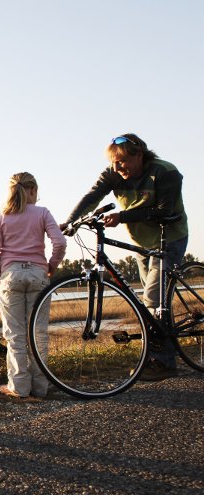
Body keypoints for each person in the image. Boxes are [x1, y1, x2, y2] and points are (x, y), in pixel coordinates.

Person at [62, 133, 188, 381]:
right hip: (141, 242)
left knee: (153, 298)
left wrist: (122, 217)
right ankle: (164, 354)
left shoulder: (165, 172)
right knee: (153, 303)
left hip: (169, 237)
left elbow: (165, 210)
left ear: (139, 155)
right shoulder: (113, 173)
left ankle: (162, 363)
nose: (118, 168)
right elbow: (92, 196)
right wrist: (71, 220)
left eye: (123, 162)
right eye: (115, 163)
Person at [0, 172, 66, 399]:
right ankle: (40, 387)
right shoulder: (42, 213)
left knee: (15, 335)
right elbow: (60, 242)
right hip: (38, 275)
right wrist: (51, 266)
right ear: (33, 190)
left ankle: (19, 387)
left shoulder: (0, 217)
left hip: (10, 276)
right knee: (38, 333)